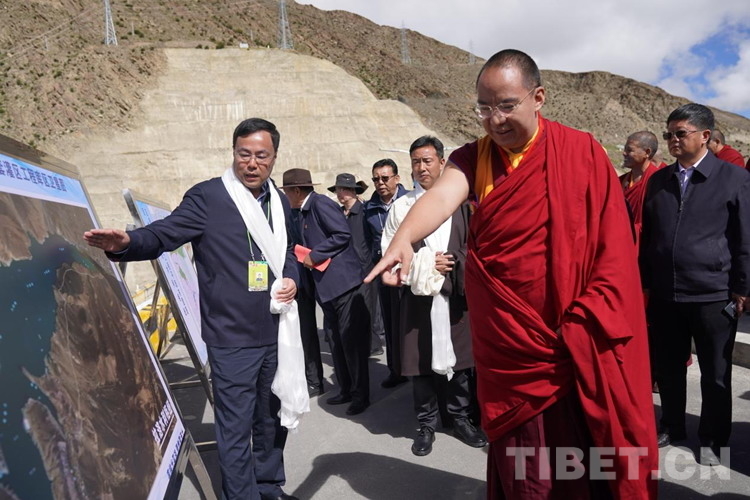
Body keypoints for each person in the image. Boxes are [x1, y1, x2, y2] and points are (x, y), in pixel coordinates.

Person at [367, 49, 657, 498]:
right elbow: (441, 196)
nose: (495, 120)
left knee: (580, 455)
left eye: (506, 105)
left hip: (570, 334)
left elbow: (613, 249)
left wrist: (587, 319)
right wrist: (403, 238)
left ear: (538, 97)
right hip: (510, 342)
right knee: (527, 462)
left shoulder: (580, 151)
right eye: (484, 108)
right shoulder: (473, 158)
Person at [84, 118, 301, 500]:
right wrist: (127, 242)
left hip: (276, 330)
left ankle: (269, 487)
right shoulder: (208, 197)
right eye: (244, 154)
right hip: (231, 337)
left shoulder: (279, 201)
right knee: (235, 428)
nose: (252, 163)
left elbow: (287, 252)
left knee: (271, 418)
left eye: (261, 156)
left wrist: (292, 278)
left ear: (274, 157)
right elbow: (163, 234)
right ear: (233, 153)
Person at [640, 103, 750, 466]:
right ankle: (671, 425)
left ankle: (714, 439)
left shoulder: (734, 179)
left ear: (705, 135)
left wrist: (742, 288)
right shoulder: (658, 181)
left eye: (680, 133)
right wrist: (646, 282)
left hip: (713, 294)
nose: (673, 140)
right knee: (669, 367)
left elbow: (745, 239)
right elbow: (649, 238)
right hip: (666, 293)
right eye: (669, 134)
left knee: (716, 374)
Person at [382, 135, 486, 457]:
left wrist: (453, 262)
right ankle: (426, 425)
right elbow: (389, 251)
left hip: (455, 296)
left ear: (442, 162)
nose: (421, 167)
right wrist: (425, 264)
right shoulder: (402, 207)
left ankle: (460, 418)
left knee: (462, 363)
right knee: (421, 366)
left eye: (427, 161)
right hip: (418, 298)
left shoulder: (462, 205)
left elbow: (476, 247)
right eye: (416, 162)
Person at [282, 168, 371, 416]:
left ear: (296, 190)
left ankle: (361, 395)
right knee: (335, 341)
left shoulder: (320, 204)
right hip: (325, 289)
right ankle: (345, 388)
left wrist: (315, 255)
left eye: (286, 191)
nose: (286, 196)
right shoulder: (301, 211)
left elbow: (342, 234)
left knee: (350, 342)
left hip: (344, 285)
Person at [363, 159, 410, 388]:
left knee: (411, 322)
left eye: (385, 178)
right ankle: (396, 370)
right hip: (385, 274)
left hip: (409, 271)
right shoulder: (369, 209)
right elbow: (367, 241)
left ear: (397, 178)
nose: (380, 183)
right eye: (376, 179)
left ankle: (417, 368)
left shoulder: (411, 201)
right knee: (391, 324)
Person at [328, 173, 383, 356]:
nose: (340, 193)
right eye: (338, 190)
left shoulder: (364, 211)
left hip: (365, 267)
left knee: (367, 307)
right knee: (355, 309)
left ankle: (372, 345)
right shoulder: (339, 213)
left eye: (344, 189)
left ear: (353, 191)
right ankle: (362, 344)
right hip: (347, 269)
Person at [619, 131, 661, 245]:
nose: (624, 153)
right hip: (621, 240)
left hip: (646, 244)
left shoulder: (659, 181)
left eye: (629, 150)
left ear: (647, 152)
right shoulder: (620, 181)